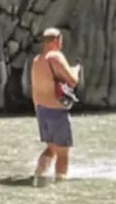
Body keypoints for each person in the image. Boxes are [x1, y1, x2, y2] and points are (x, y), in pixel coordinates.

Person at [29, 27, 81, 184]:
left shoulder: (37, 60)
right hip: (56, 111)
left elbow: (35, 88)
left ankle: (39, 175)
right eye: (60, 40)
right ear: (56, 40)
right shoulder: (56, 57)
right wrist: (76, 70)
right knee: (62, 152)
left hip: (41, 110)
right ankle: (60, 183)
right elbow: (73, 81)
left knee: (51, 149)